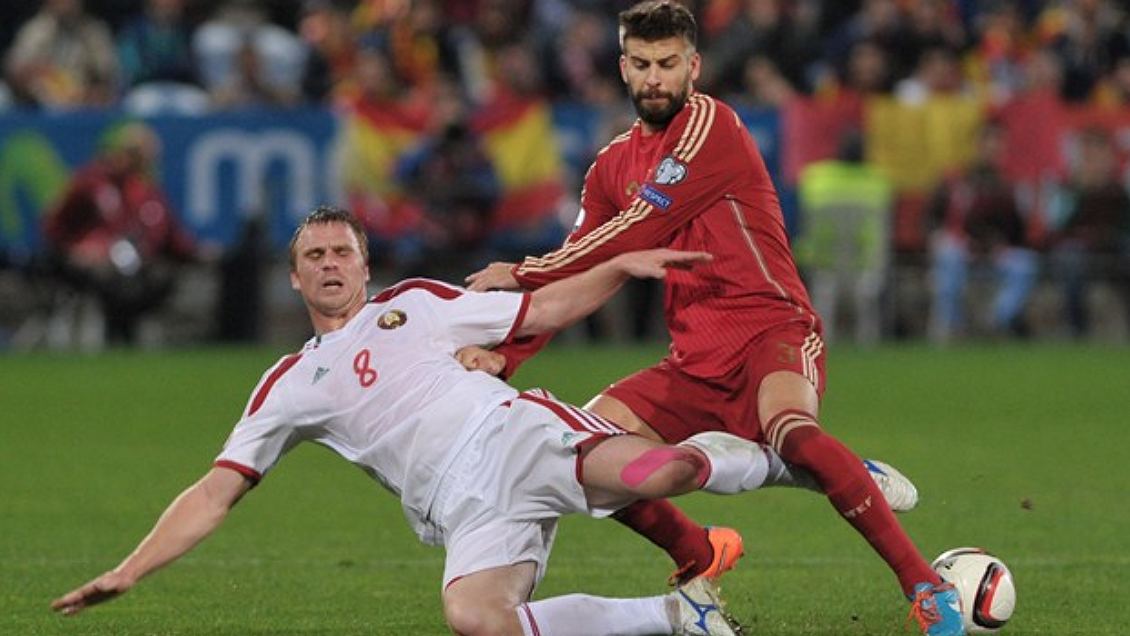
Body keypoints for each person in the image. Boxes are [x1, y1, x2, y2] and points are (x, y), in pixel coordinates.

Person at [50, 205, 808, 636]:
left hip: (516, 438)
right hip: (460, 506)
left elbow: (538, 308)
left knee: (663, 470)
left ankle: (797, 460)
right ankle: (680, 618)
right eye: (312, 254)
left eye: (341, 250)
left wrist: (614, 267)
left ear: (365, 265)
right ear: (294, 275)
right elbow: (216, 492)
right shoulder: (287, 384)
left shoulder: (414, 304)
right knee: (477, 619)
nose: (328, 263)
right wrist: (129, 570)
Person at [464, 3, 964, 635]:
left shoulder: (711, 125)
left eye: (668, 64)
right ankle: (700, 551)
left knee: (792, 430)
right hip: (693, 357)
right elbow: (582, 274)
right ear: (623, 67)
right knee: (586, 453)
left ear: (693, 66)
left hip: (771, 326)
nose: (655, 78)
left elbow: (638, 228)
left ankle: (925, 588)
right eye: (642, 64)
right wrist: (508, 356)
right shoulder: (611, 165)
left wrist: (525, 270)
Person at [41, 121, 202, 346]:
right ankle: (113, 334)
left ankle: (127, 331)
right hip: (92, 261)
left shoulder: (148, 193)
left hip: (134, 263)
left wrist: (199, 252)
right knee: (107, 275)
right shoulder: (90, 183)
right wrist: (76, 248)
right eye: (136, 154)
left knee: (159, 276)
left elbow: (171, 236)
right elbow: (55, 224)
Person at [926, 120, 1037, 342]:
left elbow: (1020, 228)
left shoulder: (1012, 184)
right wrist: (936, 236)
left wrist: (1002, 244)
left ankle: (995, 322)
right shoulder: (955, 180)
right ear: (976, 145)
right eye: (987, 142)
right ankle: (955, 327)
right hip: (962, 248)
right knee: (947, 256)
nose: (992, 148)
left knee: (1025, 265)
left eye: (998, 143)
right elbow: (931, 218)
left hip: (997, 251)